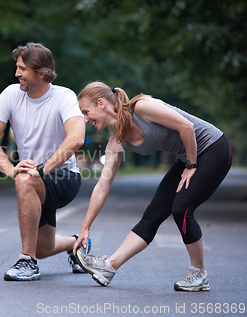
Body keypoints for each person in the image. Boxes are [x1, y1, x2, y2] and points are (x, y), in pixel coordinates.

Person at [74, 81, 232, 291]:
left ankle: (199, 273)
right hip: (188, 157)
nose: (85, 120)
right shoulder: (116, 141)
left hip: (213, 148)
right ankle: (109, 267)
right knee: (153, 214)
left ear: (101, 103)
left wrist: (191, 165)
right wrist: (85, 227)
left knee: (182, 208)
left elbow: (187, 126)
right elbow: (103, 185)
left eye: (86, 112)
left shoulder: (142, 107)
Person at [0, 43, 87, 281]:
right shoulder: (11, 94)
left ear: (41, 73)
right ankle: (76, 244)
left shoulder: (64, 96)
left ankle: (27, 261)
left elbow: (77, 137)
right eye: (16, 67)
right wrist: (9, 169)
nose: (16, 73)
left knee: (26, 178)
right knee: (44, 248)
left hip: (63, 178)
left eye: (22, 69)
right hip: (35, 179)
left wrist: (42, 169)